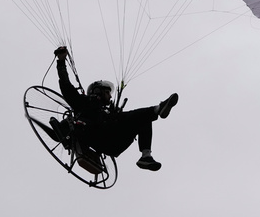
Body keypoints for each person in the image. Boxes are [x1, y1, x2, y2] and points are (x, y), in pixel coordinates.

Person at [51, 46, 179, 171]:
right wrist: (61, 61)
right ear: (98, 91)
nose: (110, 96)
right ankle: (157, 109)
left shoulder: (108, 111)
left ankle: (146, 156)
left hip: (114, 141)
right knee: (133, 116)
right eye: (107, 92)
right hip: (97, 133)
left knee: (143, 119)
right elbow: (66, 86)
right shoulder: (83, 103)